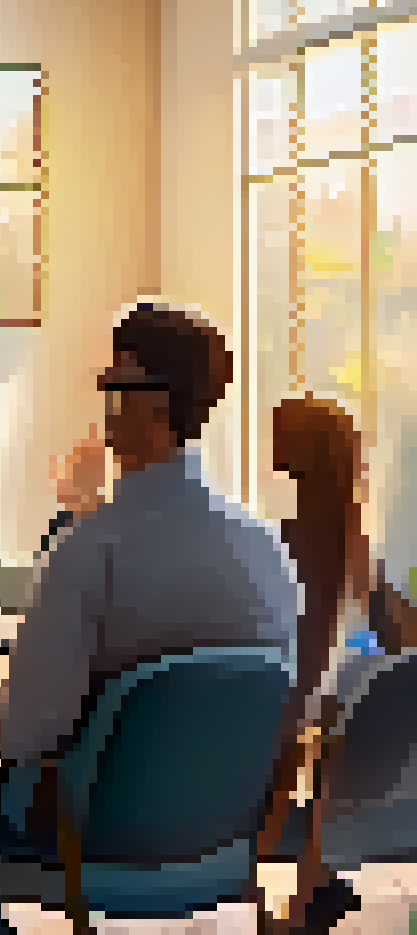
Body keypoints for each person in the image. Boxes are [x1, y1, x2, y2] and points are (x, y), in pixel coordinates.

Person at [0, 301, 298, 935]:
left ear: (156, 403)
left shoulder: (90, 549)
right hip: (224, 832)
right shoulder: (265, 549)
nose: (106, 405)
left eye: (115, 384)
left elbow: (27, 734)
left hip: (88, 837)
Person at [262, 395, 402, 935]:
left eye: (282, 429)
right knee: (335, 722)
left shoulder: (285, 540)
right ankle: (313, 883)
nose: (271, 437)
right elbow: (398, 635)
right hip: (323, 703)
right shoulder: (353, 543)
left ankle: (287, 893)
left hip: (287, 701)